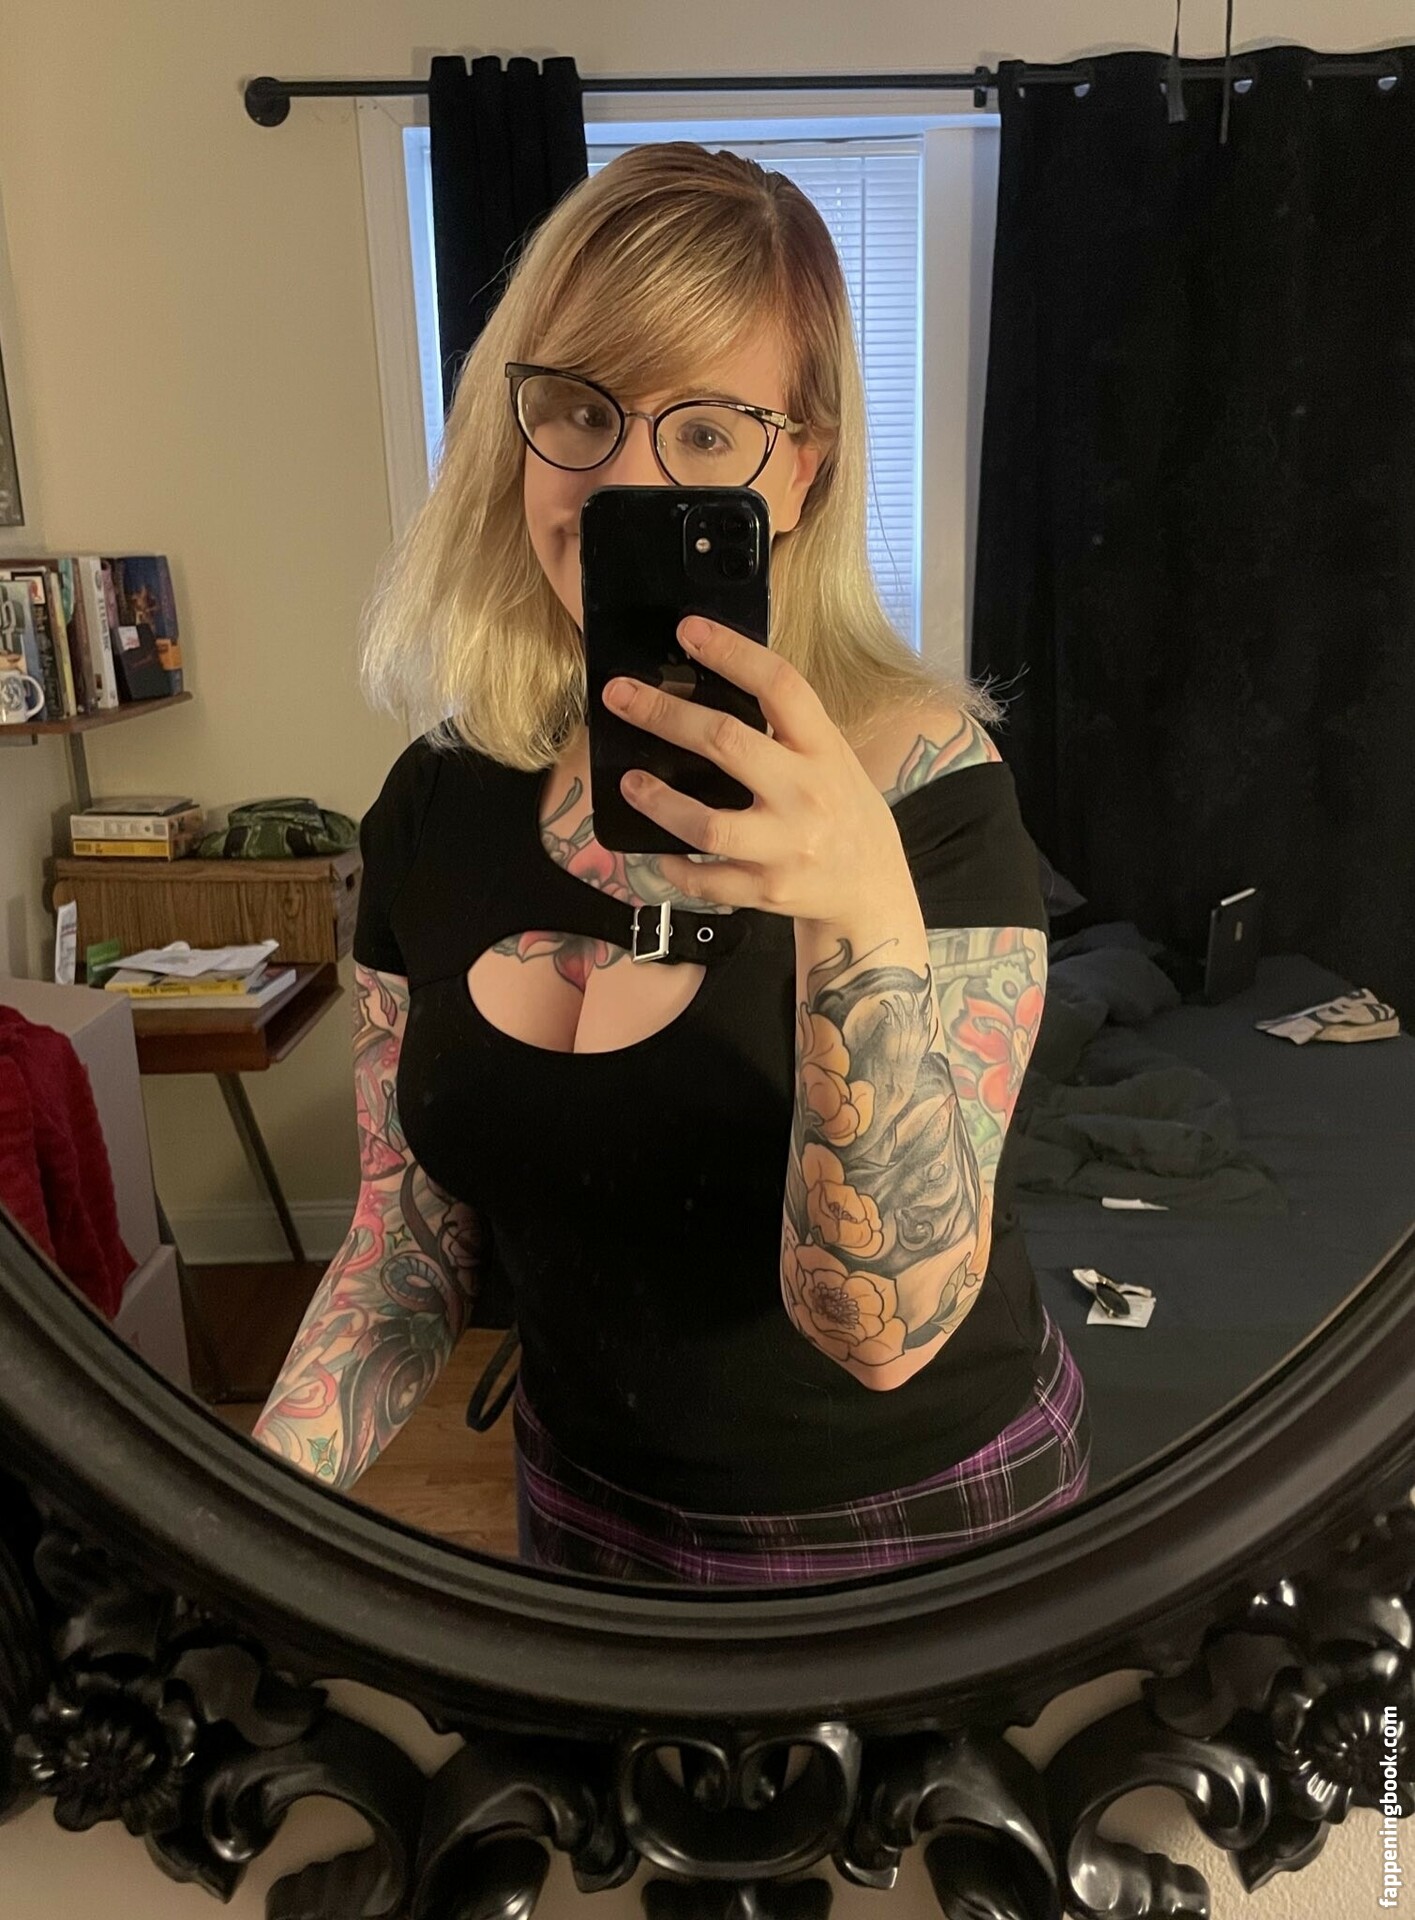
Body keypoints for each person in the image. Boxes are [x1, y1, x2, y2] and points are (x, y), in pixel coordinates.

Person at [253, 142, 1090, 1584]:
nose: (623, 479)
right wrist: (240, 1514)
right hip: (583, 1516)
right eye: (582, 410)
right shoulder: (434, 804)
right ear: (519, 434)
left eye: (706, 432)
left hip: (925, 1535)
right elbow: (406, 1246)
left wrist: (858, 908)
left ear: (802, 472)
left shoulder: (924, 789)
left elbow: (880, 1333)